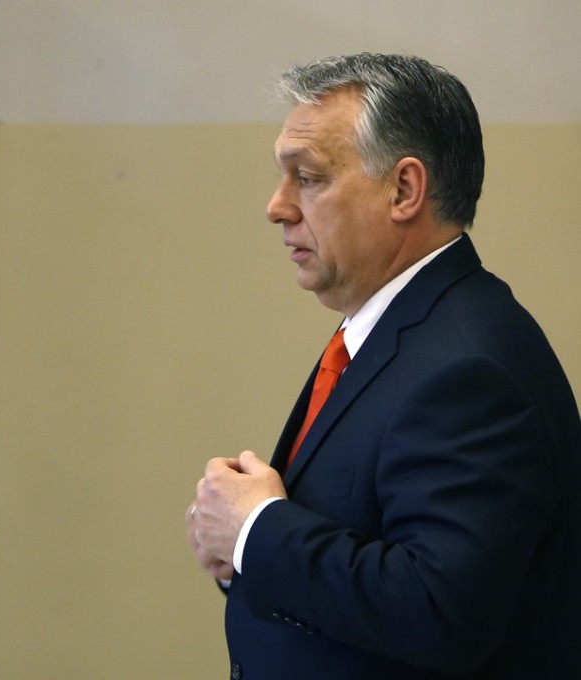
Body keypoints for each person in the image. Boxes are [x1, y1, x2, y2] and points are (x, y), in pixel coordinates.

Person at [185, 53, 581, 679]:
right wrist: (247, 555)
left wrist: (256, 530)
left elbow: (440, 613)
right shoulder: (393, 328)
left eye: (307, 178)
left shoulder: (468, 368)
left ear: (404, 190)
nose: (277, 207)